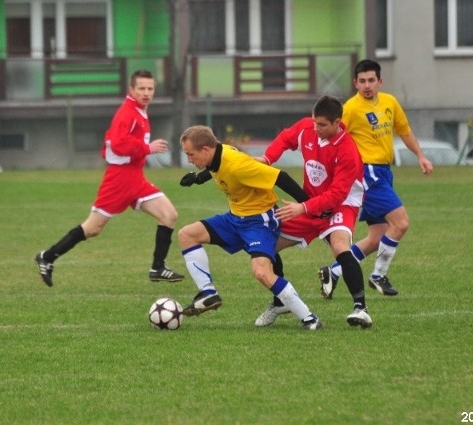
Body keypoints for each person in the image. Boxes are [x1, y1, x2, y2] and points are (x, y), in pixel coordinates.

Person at [34, 70, 184, 287]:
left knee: (169, 215)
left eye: (150, 88)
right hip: (119, 180)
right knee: (93, 228)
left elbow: (110, 144)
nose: (146, 93)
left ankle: (157, 268)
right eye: (141, 88)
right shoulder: (128, 113)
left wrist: (141, 151)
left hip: (136, 178)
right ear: (131, 90)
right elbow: (116, 144)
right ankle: (47, 257)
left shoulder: (140, 111)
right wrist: (147, 148)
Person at [177, 125, 323, 330]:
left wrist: (309, 206)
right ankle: (208, 293)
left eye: (191, 154)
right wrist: (197, 178)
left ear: (206, 150)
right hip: (235, 219)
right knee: (186, 235)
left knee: (262, 272)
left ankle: (309, 318)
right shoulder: (217, 155)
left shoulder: (238, 164)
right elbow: (215, 168)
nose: (189, 159)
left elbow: (280, 177)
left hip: (259, 220)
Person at [253, 96, 372, 329]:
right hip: (309, 203)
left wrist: (302, 207)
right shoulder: (308, 127)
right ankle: (279, 302)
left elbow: (337, 194)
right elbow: (285, 138)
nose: (315, 128)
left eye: (322, 125)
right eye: (315, 122)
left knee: (340, 246)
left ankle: (361, 309)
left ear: (337, 122)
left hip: (341, 205)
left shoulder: (348, 150)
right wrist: (267, 158)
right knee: (267, 245)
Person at [319, 59, 433, 298]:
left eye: (371, 80)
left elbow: (404, 131)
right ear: (355, 83)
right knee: (401, 223)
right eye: (362, 81)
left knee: (377, 237)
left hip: (384, 171)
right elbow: (333, 137)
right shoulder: (350, 108)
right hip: (367, 173)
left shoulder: (390, 102)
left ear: (380, 81)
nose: (367, 85)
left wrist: (421, 156)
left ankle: (335, 272)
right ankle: (378, 276)